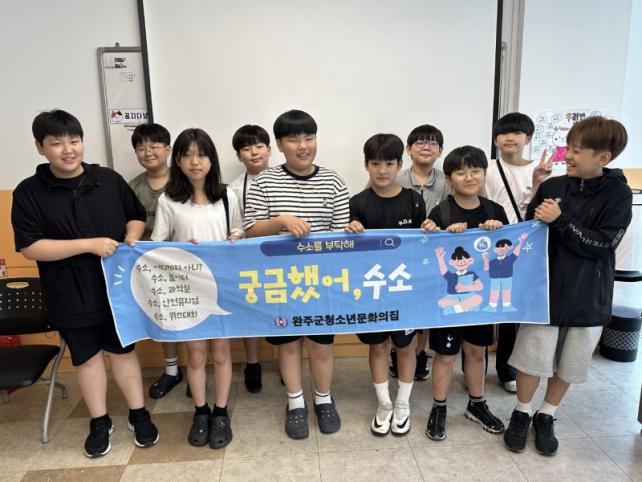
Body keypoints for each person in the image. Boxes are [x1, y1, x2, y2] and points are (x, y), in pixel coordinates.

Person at [11, 110, 159, 458]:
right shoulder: (29, 191)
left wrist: (132, 236)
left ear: (82, 142)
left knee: (123, 352)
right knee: (87, 357)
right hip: (68, 292)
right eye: (56, 143)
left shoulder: (107, 179)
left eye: (74, 140)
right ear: (40, 147)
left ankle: (138, 414)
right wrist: (89, 245)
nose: (68, 149)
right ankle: (100, 421)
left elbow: (136, 216)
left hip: (115, 288)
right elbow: (30, 247)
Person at [503, 116, 632, 456]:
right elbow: (531, 232)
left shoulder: (618, 194)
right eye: (568, 148)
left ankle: (546, 415)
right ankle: (522, 413)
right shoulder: (553, 186)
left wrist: (561, 221)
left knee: (569, 362)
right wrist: (538, 196)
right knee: (531, 357)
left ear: (603, 157)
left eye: (576, 150)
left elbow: (603, 244)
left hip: (588, 293)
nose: (568, 156)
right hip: (544, 290)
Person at [244, 109, 350, 439]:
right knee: (288, 345)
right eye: (294, 139)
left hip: (323, 281)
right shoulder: (264, 182)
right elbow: (250, 231)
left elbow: (340, 237)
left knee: (321, 346)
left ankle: (323, 399)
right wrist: (280, 221)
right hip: (281, 282)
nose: (303, 146)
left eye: (309, 138)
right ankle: (295, 402)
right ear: (279, 144)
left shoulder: (333, 181)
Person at [151, 128, 243, 449]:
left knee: (221, 353)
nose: (195, 161)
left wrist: (234, 239)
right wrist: (181, 249)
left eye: (201, 154)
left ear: (211, 159)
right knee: (195, 354)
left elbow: (238, 233)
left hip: (222, 287)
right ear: (177, 160)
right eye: (187, 155)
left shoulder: (227, 196)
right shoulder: (168, 200)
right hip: (186, 290)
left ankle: (221, 411)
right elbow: (157, 246)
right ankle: (200, 411)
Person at [422, 145, 509, 441]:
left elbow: (506, 250)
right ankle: (439, 407)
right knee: (445, 355)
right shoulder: (441, 211)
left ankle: (476, 404)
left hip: (481, 301)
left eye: (475, 170)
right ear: (449, 179)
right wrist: (439, 231)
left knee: (476, 352)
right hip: (449, 302)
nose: (469, 177)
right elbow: (427, 251)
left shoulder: (495, 211)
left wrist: (499, 230)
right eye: (460, 172)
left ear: (484, 174)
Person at [346, 133, 427, 436]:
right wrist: (349, 229)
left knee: (406, 347)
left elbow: (422, 246)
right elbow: (349, 251)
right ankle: (384, 403)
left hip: (405, 289)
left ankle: (403, 403)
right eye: (375, 163)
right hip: (372, 289)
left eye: (389, 163)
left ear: (400, 164)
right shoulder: (357, 203)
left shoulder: (413, 200)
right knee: (377, 346)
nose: (382, 170)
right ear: (366, 165)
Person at [485, 112, 552, 393]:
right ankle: (474, 368)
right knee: (483, 306)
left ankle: (507, 369)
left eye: (516, 132)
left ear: (529, 138)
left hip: (526, 247)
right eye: (503, 133)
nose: (509, 138)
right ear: (495, 140)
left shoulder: (542, 169)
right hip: (489, 244)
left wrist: (537, 183)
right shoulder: (487, 168)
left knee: (512, 310)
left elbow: (541, 210)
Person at [129, 123, 185, 399]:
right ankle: (172, 370)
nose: (148, 152)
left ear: (168, 149)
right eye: (141, 147)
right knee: (164, 316)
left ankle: (197, 369)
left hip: (187, 263)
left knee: (193, 313)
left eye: (154, 146)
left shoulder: (185, 180)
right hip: (151, 267)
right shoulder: (133, 187)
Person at [390, 124, 450, 381]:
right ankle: (398, 351)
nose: (426, 147)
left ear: (440, 150)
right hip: (399, 255)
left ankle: (420, 352)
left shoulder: (448, 180)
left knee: (426, 304)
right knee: (399, 301)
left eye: (433, 143)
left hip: (433, 255)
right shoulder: (395, 176)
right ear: (408, 149)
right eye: (420, 142)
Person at [228, 124, 271, 394]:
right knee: (250, 311)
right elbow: (235, 226)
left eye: (259, 146)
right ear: (239, 155)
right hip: (248, 258)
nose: (254, 152)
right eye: (246, 148)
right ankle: (252, 363)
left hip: (280, 258)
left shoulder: (284, 180)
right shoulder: (233, 189)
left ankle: (285, 362)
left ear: (270, 150)